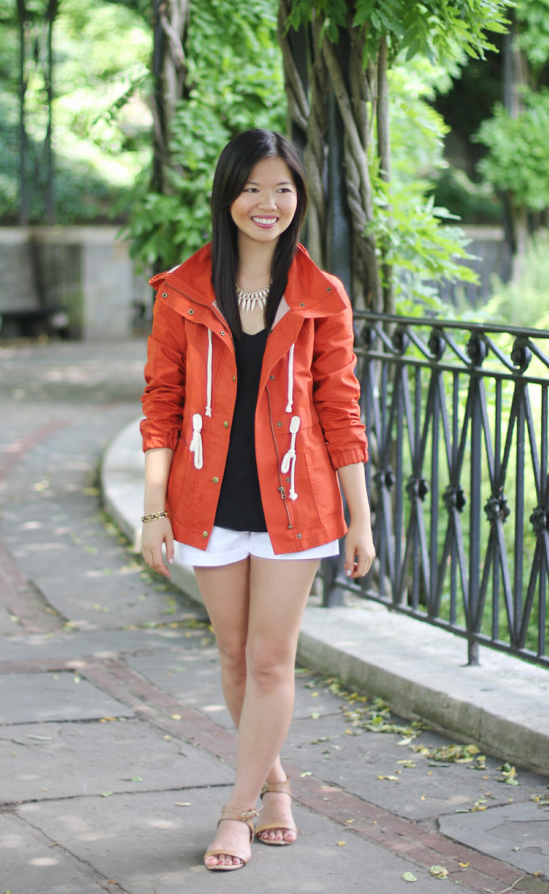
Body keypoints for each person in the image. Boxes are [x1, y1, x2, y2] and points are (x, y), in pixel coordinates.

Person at [140, 128, 375, 872]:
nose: (266, 203)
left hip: (294, 504)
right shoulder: (181, 290)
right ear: (227, 195)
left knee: (271, 661)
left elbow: (340, 411)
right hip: (206, 501)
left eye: (282, 189)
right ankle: (273, 785)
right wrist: (154, 508)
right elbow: (162, 405)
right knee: (234, 657)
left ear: (298, 199)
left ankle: (234, 813)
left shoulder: (319, 296)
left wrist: (359, 517)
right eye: (251, 188)